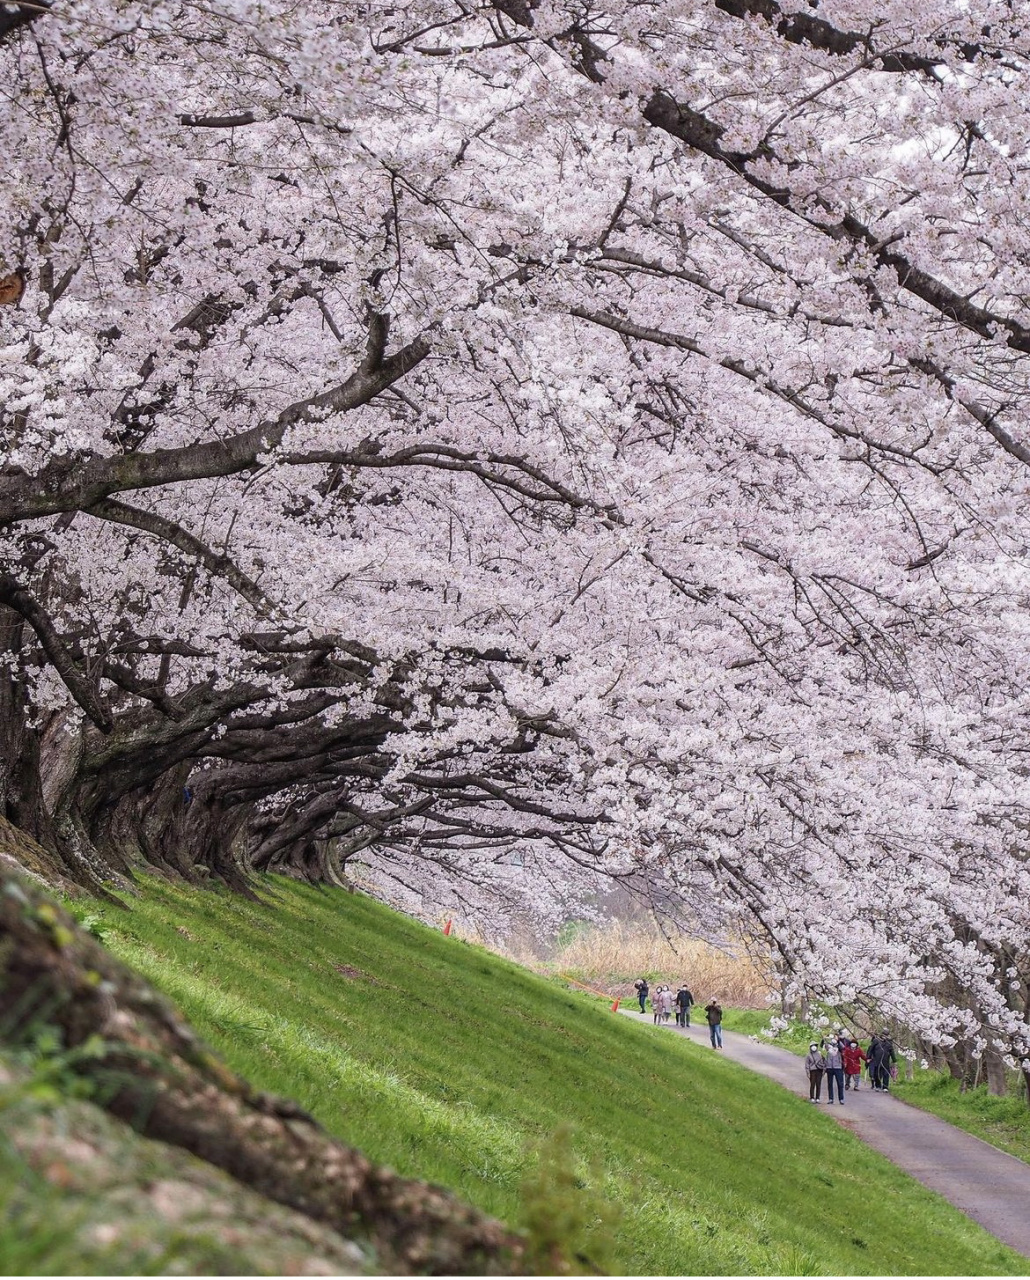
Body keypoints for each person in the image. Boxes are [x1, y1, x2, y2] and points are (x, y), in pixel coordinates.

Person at [824, 1036, 846, 1104]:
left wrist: (838, 1041)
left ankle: (841, 1099)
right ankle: (831, 1099)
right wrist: (825, 1039)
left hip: (838, 1067)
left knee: (840, 1084)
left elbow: (843, 1047)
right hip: (829, 1067)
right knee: (830, 1084)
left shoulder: (839, 1046)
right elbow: (823, 1045)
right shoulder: (828, 1046)